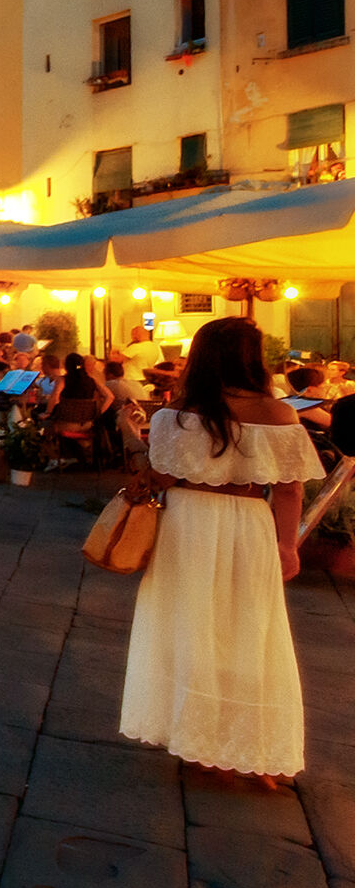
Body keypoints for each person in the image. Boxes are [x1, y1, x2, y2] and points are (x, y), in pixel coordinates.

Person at [122, 317, 321, 785]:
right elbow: (290, 491)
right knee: (250, 627)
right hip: (248, 522)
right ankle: (251, 744)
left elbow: (160, 474)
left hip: (187, 523)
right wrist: (287, 545)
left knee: (191, 625)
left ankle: (196, 739)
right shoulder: (280, 415)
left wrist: (132, 437)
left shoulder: (175, 413)